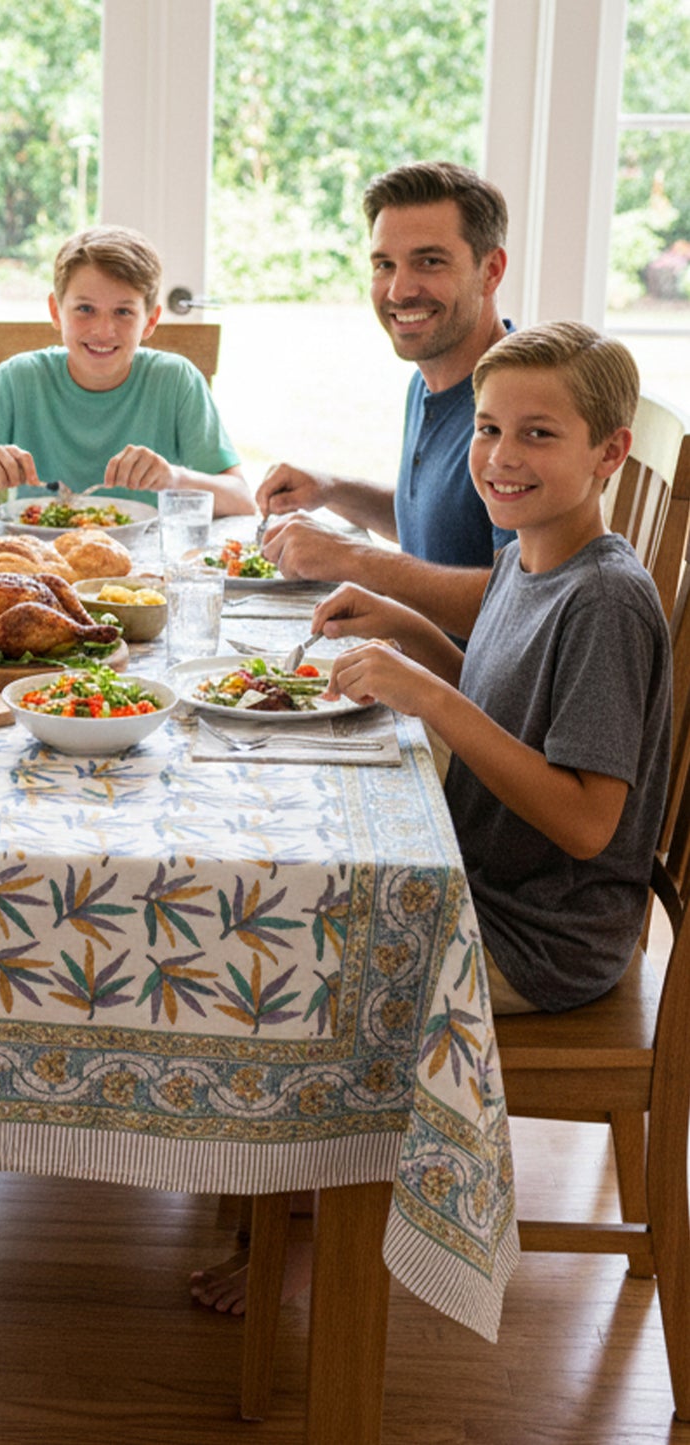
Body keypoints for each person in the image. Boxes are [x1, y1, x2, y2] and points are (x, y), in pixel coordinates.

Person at [194, 321, 670, 1312]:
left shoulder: (605, 601)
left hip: (541, 933)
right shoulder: (530, 558)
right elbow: (504, 704)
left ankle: (318, 1228)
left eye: (537, 434)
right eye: (487, 428)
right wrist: (407, 629)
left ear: (608, 452)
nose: (499, 457)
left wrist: (434, 700)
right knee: (280, 857)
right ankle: (266, 1181)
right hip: (490, 878)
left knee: (296, 952)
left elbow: (586, 822)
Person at [257, 162, 517, 639]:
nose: (399, 290)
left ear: (491, 270)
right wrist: (331, 489)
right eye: (384, 265)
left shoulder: (518, 409)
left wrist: (353, 558)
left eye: (430, 261)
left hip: (461, 697)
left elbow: (520, 607)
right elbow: (444, 527)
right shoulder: (432, 378)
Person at [0, 224, 253, 513]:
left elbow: (242, 500)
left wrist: (174, 478)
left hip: (146, 572)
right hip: (39, 563)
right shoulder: (19, 379)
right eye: (85, 309)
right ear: (56, 311)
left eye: (123, 312)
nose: (103, 330)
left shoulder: (175, 381)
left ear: (150, 321)